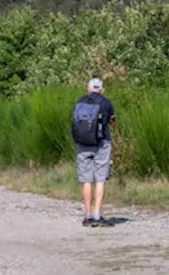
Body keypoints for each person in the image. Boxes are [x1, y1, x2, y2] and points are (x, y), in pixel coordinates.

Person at [72, 77, 116, 228]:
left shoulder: (80, 101)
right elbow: (112, 121)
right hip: (102, 143)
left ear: (88, 89)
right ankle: (97, 215)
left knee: (86, 179)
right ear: (102, 90)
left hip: (83, 144)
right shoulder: (106, 102)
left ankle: (88, 215)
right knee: (100, 179)